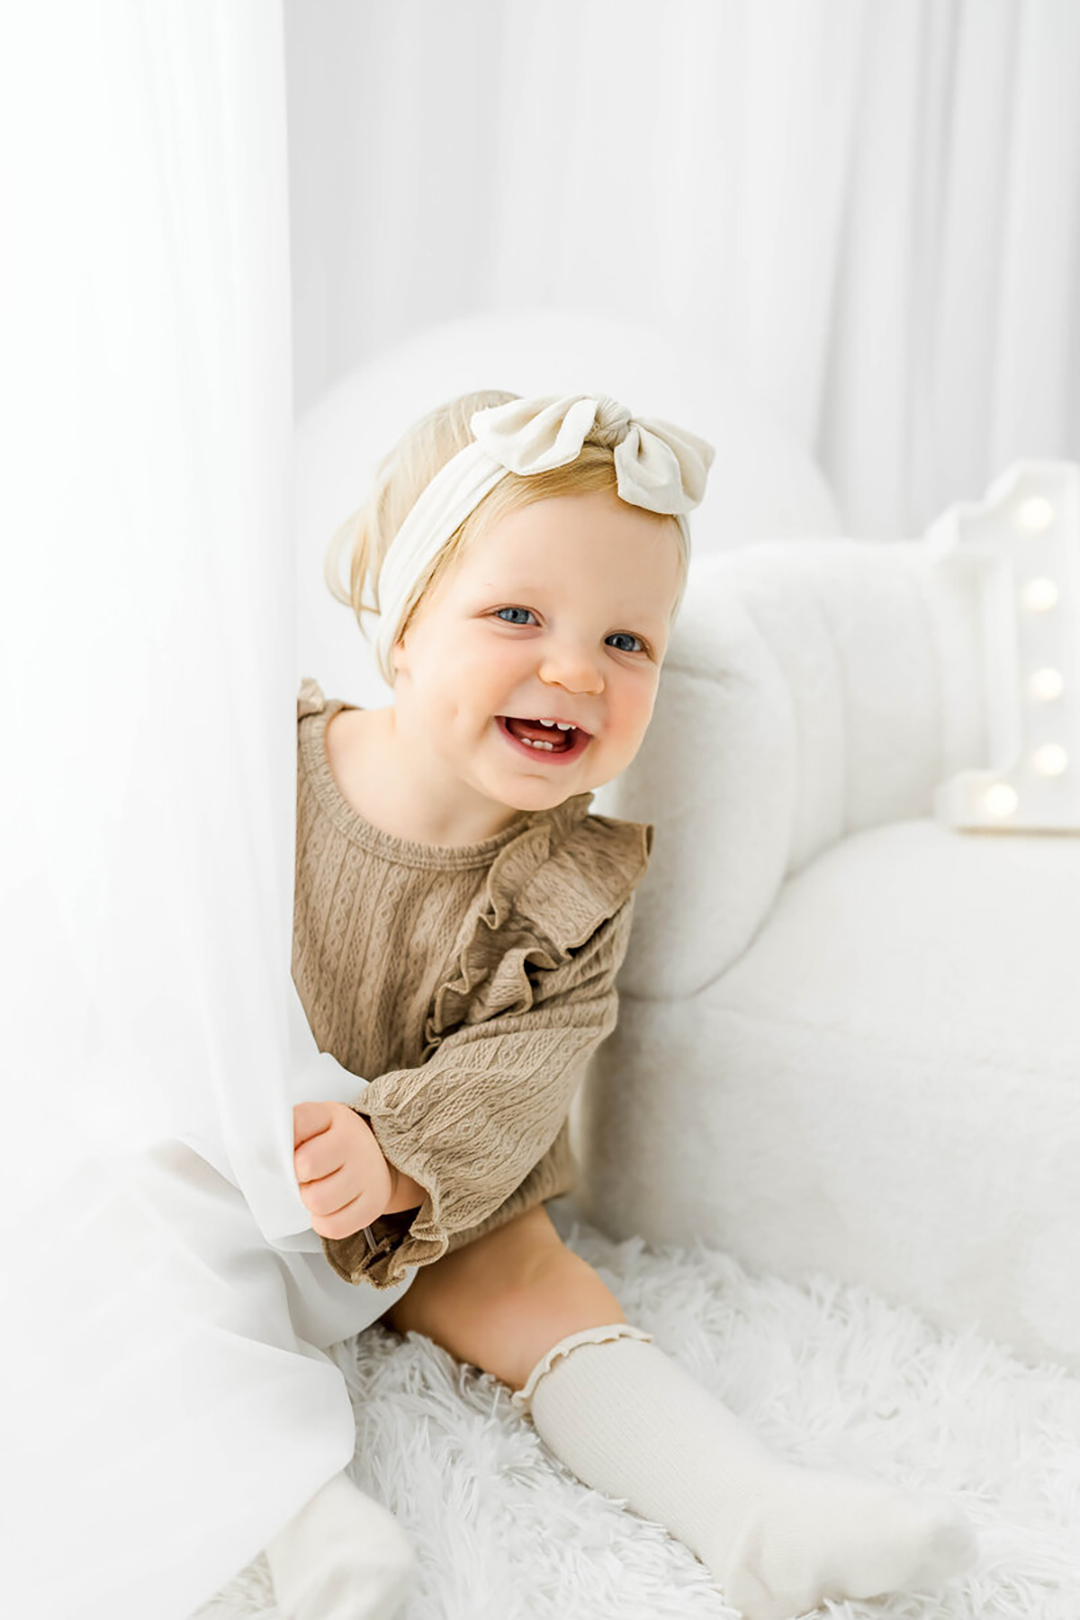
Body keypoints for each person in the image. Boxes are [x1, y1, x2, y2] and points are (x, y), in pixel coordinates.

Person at [269, 389, 979, 1620]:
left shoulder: (573, 878)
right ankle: (309, 1534)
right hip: (249, 1149)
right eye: (516, 615)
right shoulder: (265, 769)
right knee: (158, 1275)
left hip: (435, 1186)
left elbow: (528, 1065)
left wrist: (398, 1154)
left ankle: (750, 1509)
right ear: (401, 625)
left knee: (539, 1283)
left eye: (627, 642)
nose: (571, 669)